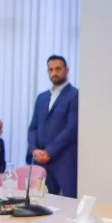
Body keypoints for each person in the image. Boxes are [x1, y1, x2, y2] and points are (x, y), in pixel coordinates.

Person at [27, 55, 79, 197]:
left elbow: (71, 128)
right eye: (50, 69)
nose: (54, 73)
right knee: (40, 202)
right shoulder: (42, 97)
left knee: (68, 203)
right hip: (41, 161)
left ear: (66, 70)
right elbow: (33, 127)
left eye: (58, 69)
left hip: (64, 160)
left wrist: (49, 152)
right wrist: (34, 150)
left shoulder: (75, 95)